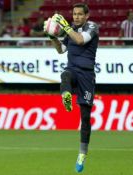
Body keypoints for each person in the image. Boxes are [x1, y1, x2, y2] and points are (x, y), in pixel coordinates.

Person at [44, 3, 99, 173]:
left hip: (87, 75)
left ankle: (82, 153)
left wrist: (66, 27)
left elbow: (80, 40)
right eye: (74, 14)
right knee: (65, 75)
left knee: (85, 116)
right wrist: (52, 36)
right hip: (73, 69)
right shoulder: (72, 29)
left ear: (87, 16)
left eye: (80, 14)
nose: (76, 17)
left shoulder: (92, 27)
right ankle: (66, 94)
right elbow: (61, 50)